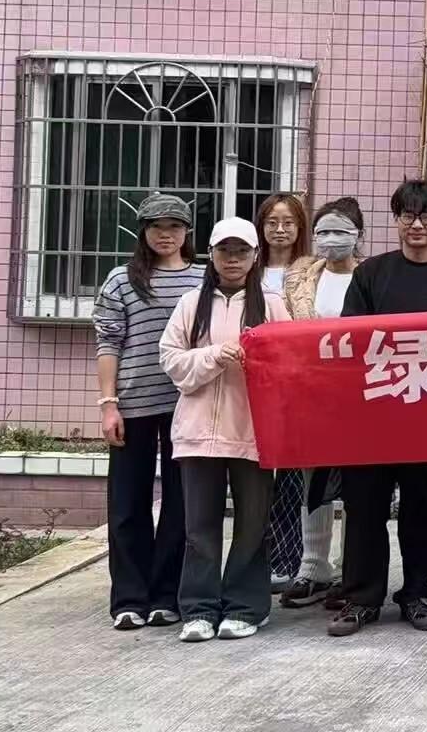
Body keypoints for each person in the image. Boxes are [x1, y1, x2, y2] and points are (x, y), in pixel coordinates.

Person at [328, 180, 427, 638]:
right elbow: (353, 338)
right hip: (374, 414)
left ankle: (417, 592)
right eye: (407, 215)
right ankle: (362, 599)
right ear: (396, 220)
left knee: (422, 509)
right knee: (364, 509)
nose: (417, 225)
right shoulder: (372, 274)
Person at [157, 218, 291, 641]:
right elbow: (172, 361)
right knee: (199, 528)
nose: (233, 259)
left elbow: (289, 365)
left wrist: (258, 363)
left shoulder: (272, 303)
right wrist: (214, 356)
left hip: (253, 433)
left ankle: (246, 607)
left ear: (255, 256)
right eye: (224, 251)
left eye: (242, 251)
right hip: (197, 433)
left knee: (252, 525)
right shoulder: (189, 304)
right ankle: (198, 609)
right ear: (211, 256)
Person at [94, 192, 201, 630]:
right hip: (133, 405)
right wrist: (108, 404)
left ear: (187, 232)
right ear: (143, 231)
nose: (166, 234)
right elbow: (108, 343)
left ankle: (165, 596)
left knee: (181, 504)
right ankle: (128, 599)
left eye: (174, 226)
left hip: (187, 406)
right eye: (157, 226)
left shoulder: (202, 278)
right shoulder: (121, 280)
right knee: (127, 504)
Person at [277, 197, 364, 611]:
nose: (331, 239)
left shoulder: (371, 277)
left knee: (358, 481)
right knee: (313, 477)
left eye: (340, 231)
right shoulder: (298, 277)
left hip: (360, 393)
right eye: (324, 231)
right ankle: (313, 566)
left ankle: (352, 569)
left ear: (358, 235)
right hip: (310, 391)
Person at [255, 192, 312, 593]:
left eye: (288, 223)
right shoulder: (248, 268)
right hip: (253, 383)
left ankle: (290, 559)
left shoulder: (310, 271)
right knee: (254, 478)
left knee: (291, 478)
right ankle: (255, 558)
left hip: (296, 386)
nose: (280, 230)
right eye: (272, 222)